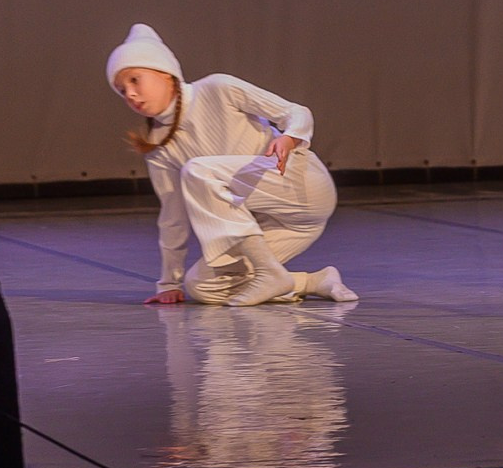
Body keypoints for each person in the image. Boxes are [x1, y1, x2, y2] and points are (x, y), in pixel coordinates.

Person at [108, 23, 353, 306]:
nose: (130, 94)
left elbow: (295, 112)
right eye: (122, 89)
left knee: (198, 171)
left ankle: (268, 273)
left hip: (303, 187)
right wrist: (170, 282)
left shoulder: (217, 89)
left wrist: (289, 138)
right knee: (201, 286)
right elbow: (173, 216)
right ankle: (313, 280)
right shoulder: (159, 144)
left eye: (135, 80)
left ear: (165, 73)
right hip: (275, 225)